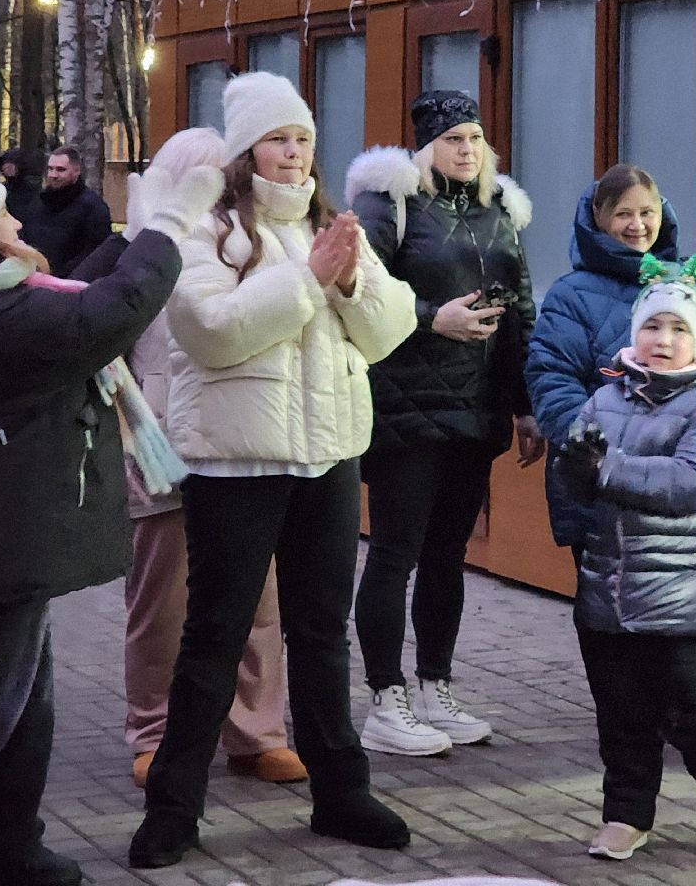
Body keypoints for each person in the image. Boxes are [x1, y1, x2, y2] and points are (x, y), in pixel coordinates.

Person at [0, 162, 217, 886]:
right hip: (16, 513)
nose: (21, 225)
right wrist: (166, 228)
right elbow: (108, 312)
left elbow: (80, 286)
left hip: (18, 510)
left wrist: (132, 230)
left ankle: (9, 844)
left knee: (26, 693)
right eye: (4, 217)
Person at [129, 72, 417, 869]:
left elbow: (391, 329)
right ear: (245, 150)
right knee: (214, 635)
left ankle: (342, 793)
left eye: (305, 141)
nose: (295, 155)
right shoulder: (206, 229)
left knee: (322, 635)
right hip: (235, 465)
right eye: (279, 139)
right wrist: (310, 277)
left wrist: (352, 277)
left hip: (328, 458)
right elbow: (211, 332)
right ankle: (174, 810)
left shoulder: (331, 225)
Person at [523, 164, 696, 769]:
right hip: (613, 484)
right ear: (598, 220)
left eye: (648, 212)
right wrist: (588, 442)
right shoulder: (572, 295)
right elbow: (551, 379)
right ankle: (642, 728)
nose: (638, 225)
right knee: (620, 615)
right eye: (623, 214)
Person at [80, 129, 306, 789]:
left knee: (258, 600)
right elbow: (88, 328)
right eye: (203, 178)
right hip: (159, 446)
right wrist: (128, 418)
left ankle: (256, 732)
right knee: (163, 602)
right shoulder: (136, 255)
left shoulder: (254, 242)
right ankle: (156, 731)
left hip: (241, 447)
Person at [345, 91, 544, 757]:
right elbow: (360, 290)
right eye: (453, 137)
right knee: (396, 551)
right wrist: (434, 317)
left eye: (475, 138)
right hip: (405, 406)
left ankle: (435, 687)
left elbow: (520, 310)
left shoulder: (499, 213)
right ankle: (384, 698)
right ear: (425, 146)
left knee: (448, 556)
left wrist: (525, 403)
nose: (467, 148)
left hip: (477, 406)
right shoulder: (390, 205)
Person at [556, 269, 696, 860]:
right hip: (610, 592)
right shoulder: (602, 398)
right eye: (652, 326)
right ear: (634, 334)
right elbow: (579, 477)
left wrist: (606, 471)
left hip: (686, 594)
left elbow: (695, 482)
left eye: (678, 328)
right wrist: (572, 470)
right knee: (620, 714)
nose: (663, 339)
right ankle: (626, 814)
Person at [17, 145, 112, 276]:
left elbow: (96, 253)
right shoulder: (37, 201)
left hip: (71, 283)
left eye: (61, 170)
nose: (53, 175)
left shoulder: (93, 208)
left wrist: (62, 276)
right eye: (50, 169)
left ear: (77, 171)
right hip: (33, 276)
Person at [0, 148, 45, 223]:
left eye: (11, 167)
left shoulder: (33, 190)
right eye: (5, 167)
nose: (8, 170)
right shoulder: (2, 190)